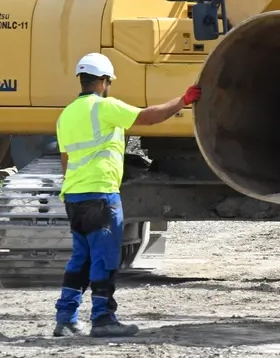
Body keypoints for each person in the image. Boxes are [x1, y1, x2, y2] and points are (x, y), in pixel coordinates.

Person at [54, 53, 198, 339]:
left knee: (80, 260)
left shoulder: (66, 114)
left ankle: (66, 318)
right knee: (105, 259)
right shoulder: (104, 108)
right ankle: (104, 319)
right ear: (105, 81)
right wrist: (183, 100)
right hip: (101, 195)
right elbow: (147, 117)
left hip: (74, 196)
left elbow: (65, 160)